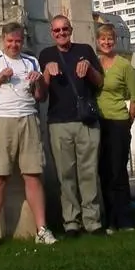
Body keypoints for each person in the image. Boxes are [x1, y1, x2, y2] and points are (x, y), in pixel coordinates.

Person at [0, 23, 58, 251]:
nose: (14, 45)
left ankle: (41, 230)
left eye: (17, 41)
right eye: (10, 41)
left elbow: (40, 97)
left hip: (28, 118)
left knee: (33, 174)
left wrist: (39, 80)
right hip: (1, 120)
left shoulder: (30, 61)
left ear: (22, 40)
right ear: (3, 40)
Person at [38, 12, 105, 237]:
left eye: (64, 29)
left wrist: (89, 68)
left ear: (71, 30)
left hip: (86, 121)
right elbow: (41, 95)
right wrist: (46, 72)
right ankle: (71, 222)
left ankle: (92, 220)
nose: (61, 33)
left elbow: (100, 82)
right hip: (58, 122)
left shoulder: (85, 50)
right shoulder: (46, 54)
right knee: (65, 174)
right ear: (52, 33)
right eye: (57, 30)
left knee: (88, 172)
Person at [93, 21, 135, 233]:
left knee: (118, 170)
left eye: (109, 39)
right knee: (103, 170)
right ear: (97, 41)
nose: (106, 42)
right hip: (99, 122)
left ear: (115, 41)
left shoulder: (124, 65)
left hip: (118, 122)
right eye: (103, 39)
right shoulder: (94, 63)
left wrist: (128, 122)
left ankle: (124, 219)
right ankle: (110, 219)